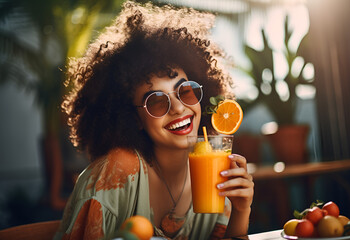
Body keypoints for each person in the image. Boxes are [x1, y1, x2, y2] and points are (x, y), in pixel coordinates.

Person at [54, 1, 254, 239]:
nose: (179, 108)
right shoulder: (117, 171)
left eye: (186, 91)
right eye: (157, 101)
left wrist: (242, 210)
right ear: (133, 117)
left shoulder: (215, 171)